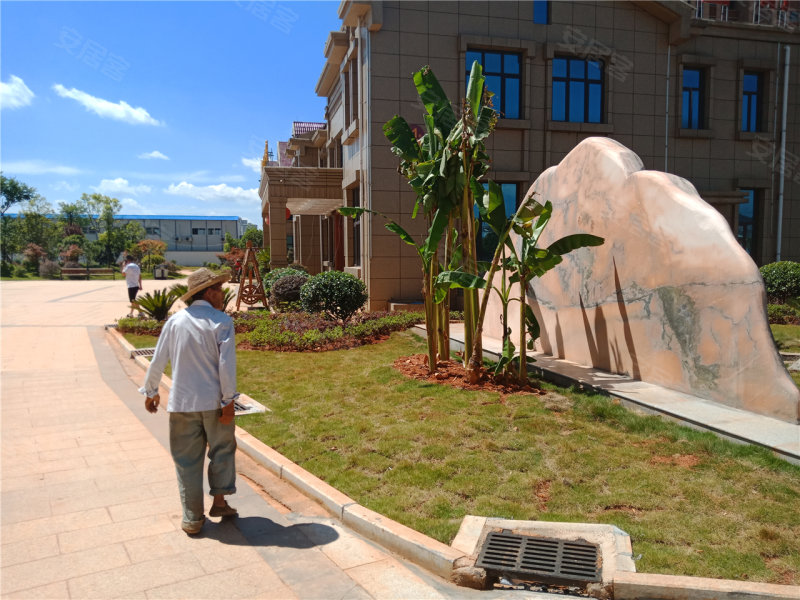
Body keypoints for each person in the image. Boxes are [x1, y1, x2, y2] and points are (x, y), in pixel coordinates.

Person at [140, 268, 239, 535]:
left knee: (187, 461)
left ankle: (192, 517)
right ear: (207, 292)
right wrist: (229, 400)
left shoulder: (175, 322)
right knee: (222, 451)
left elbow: (158, 358)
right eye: (218, 289)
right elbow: (225, 366)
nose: (222, 294)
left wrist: (151, 391)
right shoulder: (221, 322)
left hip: (182, 403)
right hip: (215, 403)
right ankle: (219, 501)